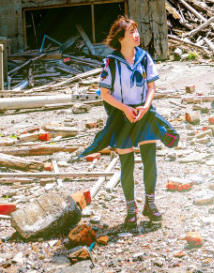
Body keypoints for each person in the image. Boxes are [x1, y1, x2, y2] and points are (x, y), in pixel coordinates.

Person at [77, 16, 179, 229]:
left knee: (150, 160)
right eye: (132, 32)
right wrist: (125, 109)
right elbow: (104, 94)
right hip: (122, 117)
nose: (137, 35)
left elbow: (152, 87)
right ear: (121, 38)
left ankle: (150, 204)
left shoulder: (145, 58)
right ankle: (130, 209)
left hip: (144, 114)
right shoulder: (110, 62)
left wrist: (144, 107)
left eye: (136, 30)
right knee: (127, 164)